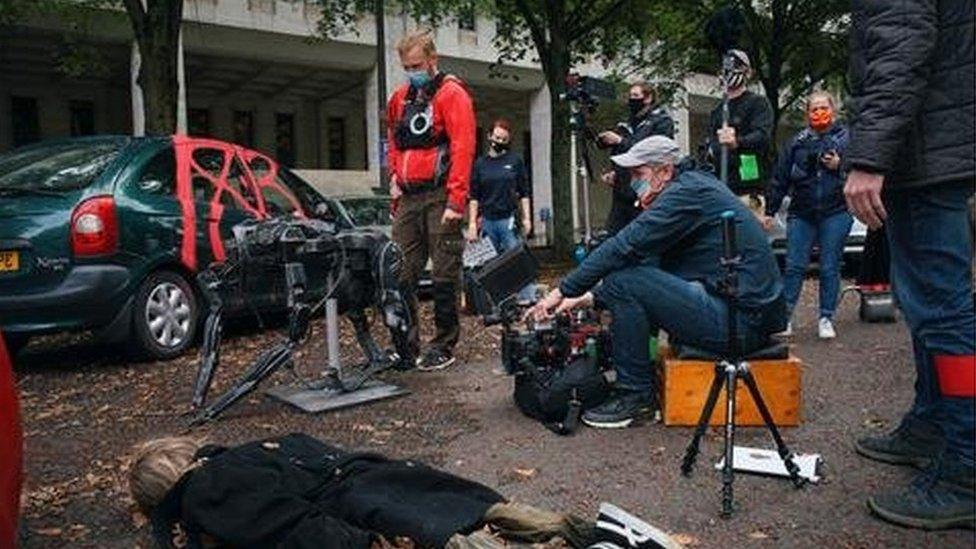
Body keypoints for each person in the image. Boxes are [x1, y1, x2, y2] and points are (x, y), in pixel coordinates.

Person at [525, 136, 787, 428]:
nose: (633, 182)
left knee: (622, 281)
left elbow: (624, 245)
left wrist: (561, 291)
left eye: (639, 174)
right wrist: (585, 298)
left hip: (741, 324)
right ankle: (636, 379)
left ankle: (636, 395)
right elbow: (650, 262)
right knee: (626, 279)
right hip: (744, 315)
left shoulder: (687, 193)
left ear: (664, 172)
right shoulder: (692, 186)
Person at [843, 0, 975, 530]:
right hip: (935, 148)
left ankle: (967, 465)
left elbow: (899, 50)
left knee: (943, 316)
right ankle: (932, 425)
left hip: (925, 154)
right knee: (932, 311)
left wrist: (870, 157)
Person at [129, 433, 597, 548]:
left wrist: (364, 544)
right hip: (382, 475)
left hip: (362, 506)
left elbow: (295, 525)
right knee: (488, 510)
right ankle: (581, 529)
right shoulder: (248, 452)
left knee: (456, 540)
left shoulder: (209, 489)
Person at [387, 31, 476, 371]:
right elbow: (394, 142)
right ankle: (405, 344)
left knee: (444, 272)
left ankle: (443, 343)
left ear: (432, 60)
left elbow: (463, 147)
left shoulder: (452, 95)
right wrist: (395, 177)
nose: (413, 71)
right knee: (400, 273)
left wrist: (456, 200)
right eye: (407, 66)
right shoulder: (400, 99)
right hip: (408, 196)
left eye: (418, 65)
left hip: (440, 195)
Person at [762, 90, 851, 339]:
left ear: (833, 110)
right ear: (807, 114)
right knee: (794, 266)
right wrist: (770, 209)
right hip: (802, 212)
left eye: (824, 107)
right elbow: (780, 177)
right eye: (814, 109)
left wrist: (839, 164)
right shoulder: (797, 142)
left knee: (829, 267)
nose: (820, 113)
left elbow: (861, 167)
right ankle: (785, 317)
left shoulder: (846, 138)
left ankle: (826, 317)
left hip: (836, 210)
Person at [466, 118, 535, 302]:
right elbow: (474, 197)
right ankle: (495, 303)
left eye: (504, 139)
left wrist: (527, 218)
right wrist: (472, 224)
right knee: (488, 265)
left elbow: (524, 193)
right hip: (487, 221)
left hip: (508, 220)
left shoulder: (515, 161)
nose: (499, 142)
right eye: (497, 137)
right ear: (489, 136)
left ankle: (527, 300)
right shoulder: (480, 164)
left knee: (517, 261)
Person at [598, 82, 675, 235]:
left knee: (643, 236)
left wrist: (621, 140)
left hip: (645, 190)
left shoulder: (661, 121)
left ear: (648, 98)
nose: (631, 100)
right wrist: (614, 172)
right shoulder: (626, 123)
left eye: (636, 96)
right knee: (614, 237)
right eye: (630, 96)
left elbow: (653, 151)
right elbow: (619, 153)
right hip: (622, 191)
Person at [705, 49, 773, 201]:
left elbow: (762, 136)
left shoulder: (757, 103)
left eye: (737, 66)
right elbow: (709, 145)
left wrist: (737, 142)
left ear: (748, 72)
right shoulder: (718, 111)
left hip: (749, 184)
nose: (729, 72)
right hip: (720, 186)